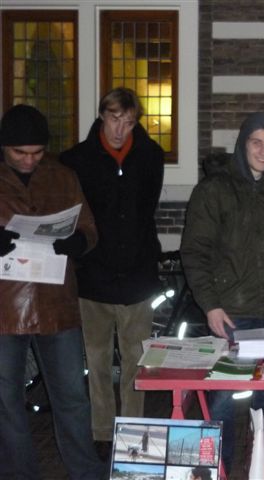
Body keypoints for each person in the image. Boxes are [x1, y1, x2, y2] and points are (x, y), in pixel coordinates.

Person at [180, 112, 264, 480]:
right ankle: (217, 465)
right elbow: (195, 251)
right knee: (224, 395)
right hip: (230, 312)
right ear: (242, 144)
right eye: (256, 143)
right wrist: (211, 304)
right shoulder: (214, 190)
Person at [0, 105, 105, 479]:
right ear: (4, 147)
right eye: (19, 153)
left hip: (56, 304)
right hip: (4, 309)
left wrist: (79, 242)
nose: (29, 160)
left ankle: (85, 473)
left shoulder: (63, 177)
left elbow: (89, 228)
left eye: (37, 153)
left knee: (72, 399)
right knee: (6, 402)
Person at [59, 87, 165, 457]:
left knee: (137, 362)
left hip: (137, 277)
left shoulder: (151, 156)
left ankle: (133, 431)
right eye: (115, 119)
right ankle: (102, 433)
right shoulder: (76, 160)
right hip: (94, 277)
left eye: (129, 121)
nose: (121, 129)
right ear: (102, 115)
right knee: (98, 360)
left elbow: (145, 208)